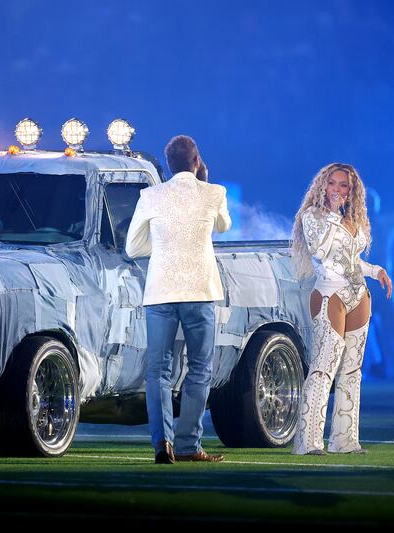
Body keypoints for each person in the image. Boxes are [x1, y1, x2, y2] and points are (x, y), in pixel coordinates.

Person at [125, 135, 231, 464]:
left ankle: (162, 444)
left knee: (158, 370)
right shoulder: (214, 193)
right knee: (199, 368)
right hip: (199, 292)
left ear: (167, 164)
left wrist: (164, 247)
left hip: (161, 291)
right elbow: (224, 227)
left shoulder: (151, 195)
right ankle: (188, 444)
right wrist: (206, 183)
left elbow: (132, 248)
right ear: (197, 161)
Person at [290, 163, 393, 455]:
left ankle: (344, 440)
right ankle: (308, 441)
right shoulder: (313, 217)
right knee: (323, 368)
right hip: (329, 292)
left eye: (344, 185)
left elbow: (351, 259)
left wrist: (376, 271)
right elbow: (320, 252)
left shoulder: (354, 219)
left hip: (358, 294)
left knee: (352, 371)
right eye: (332, 184)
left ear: (351, 191)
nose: (337, 189)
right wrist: (333, 214)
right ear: (323, 186)